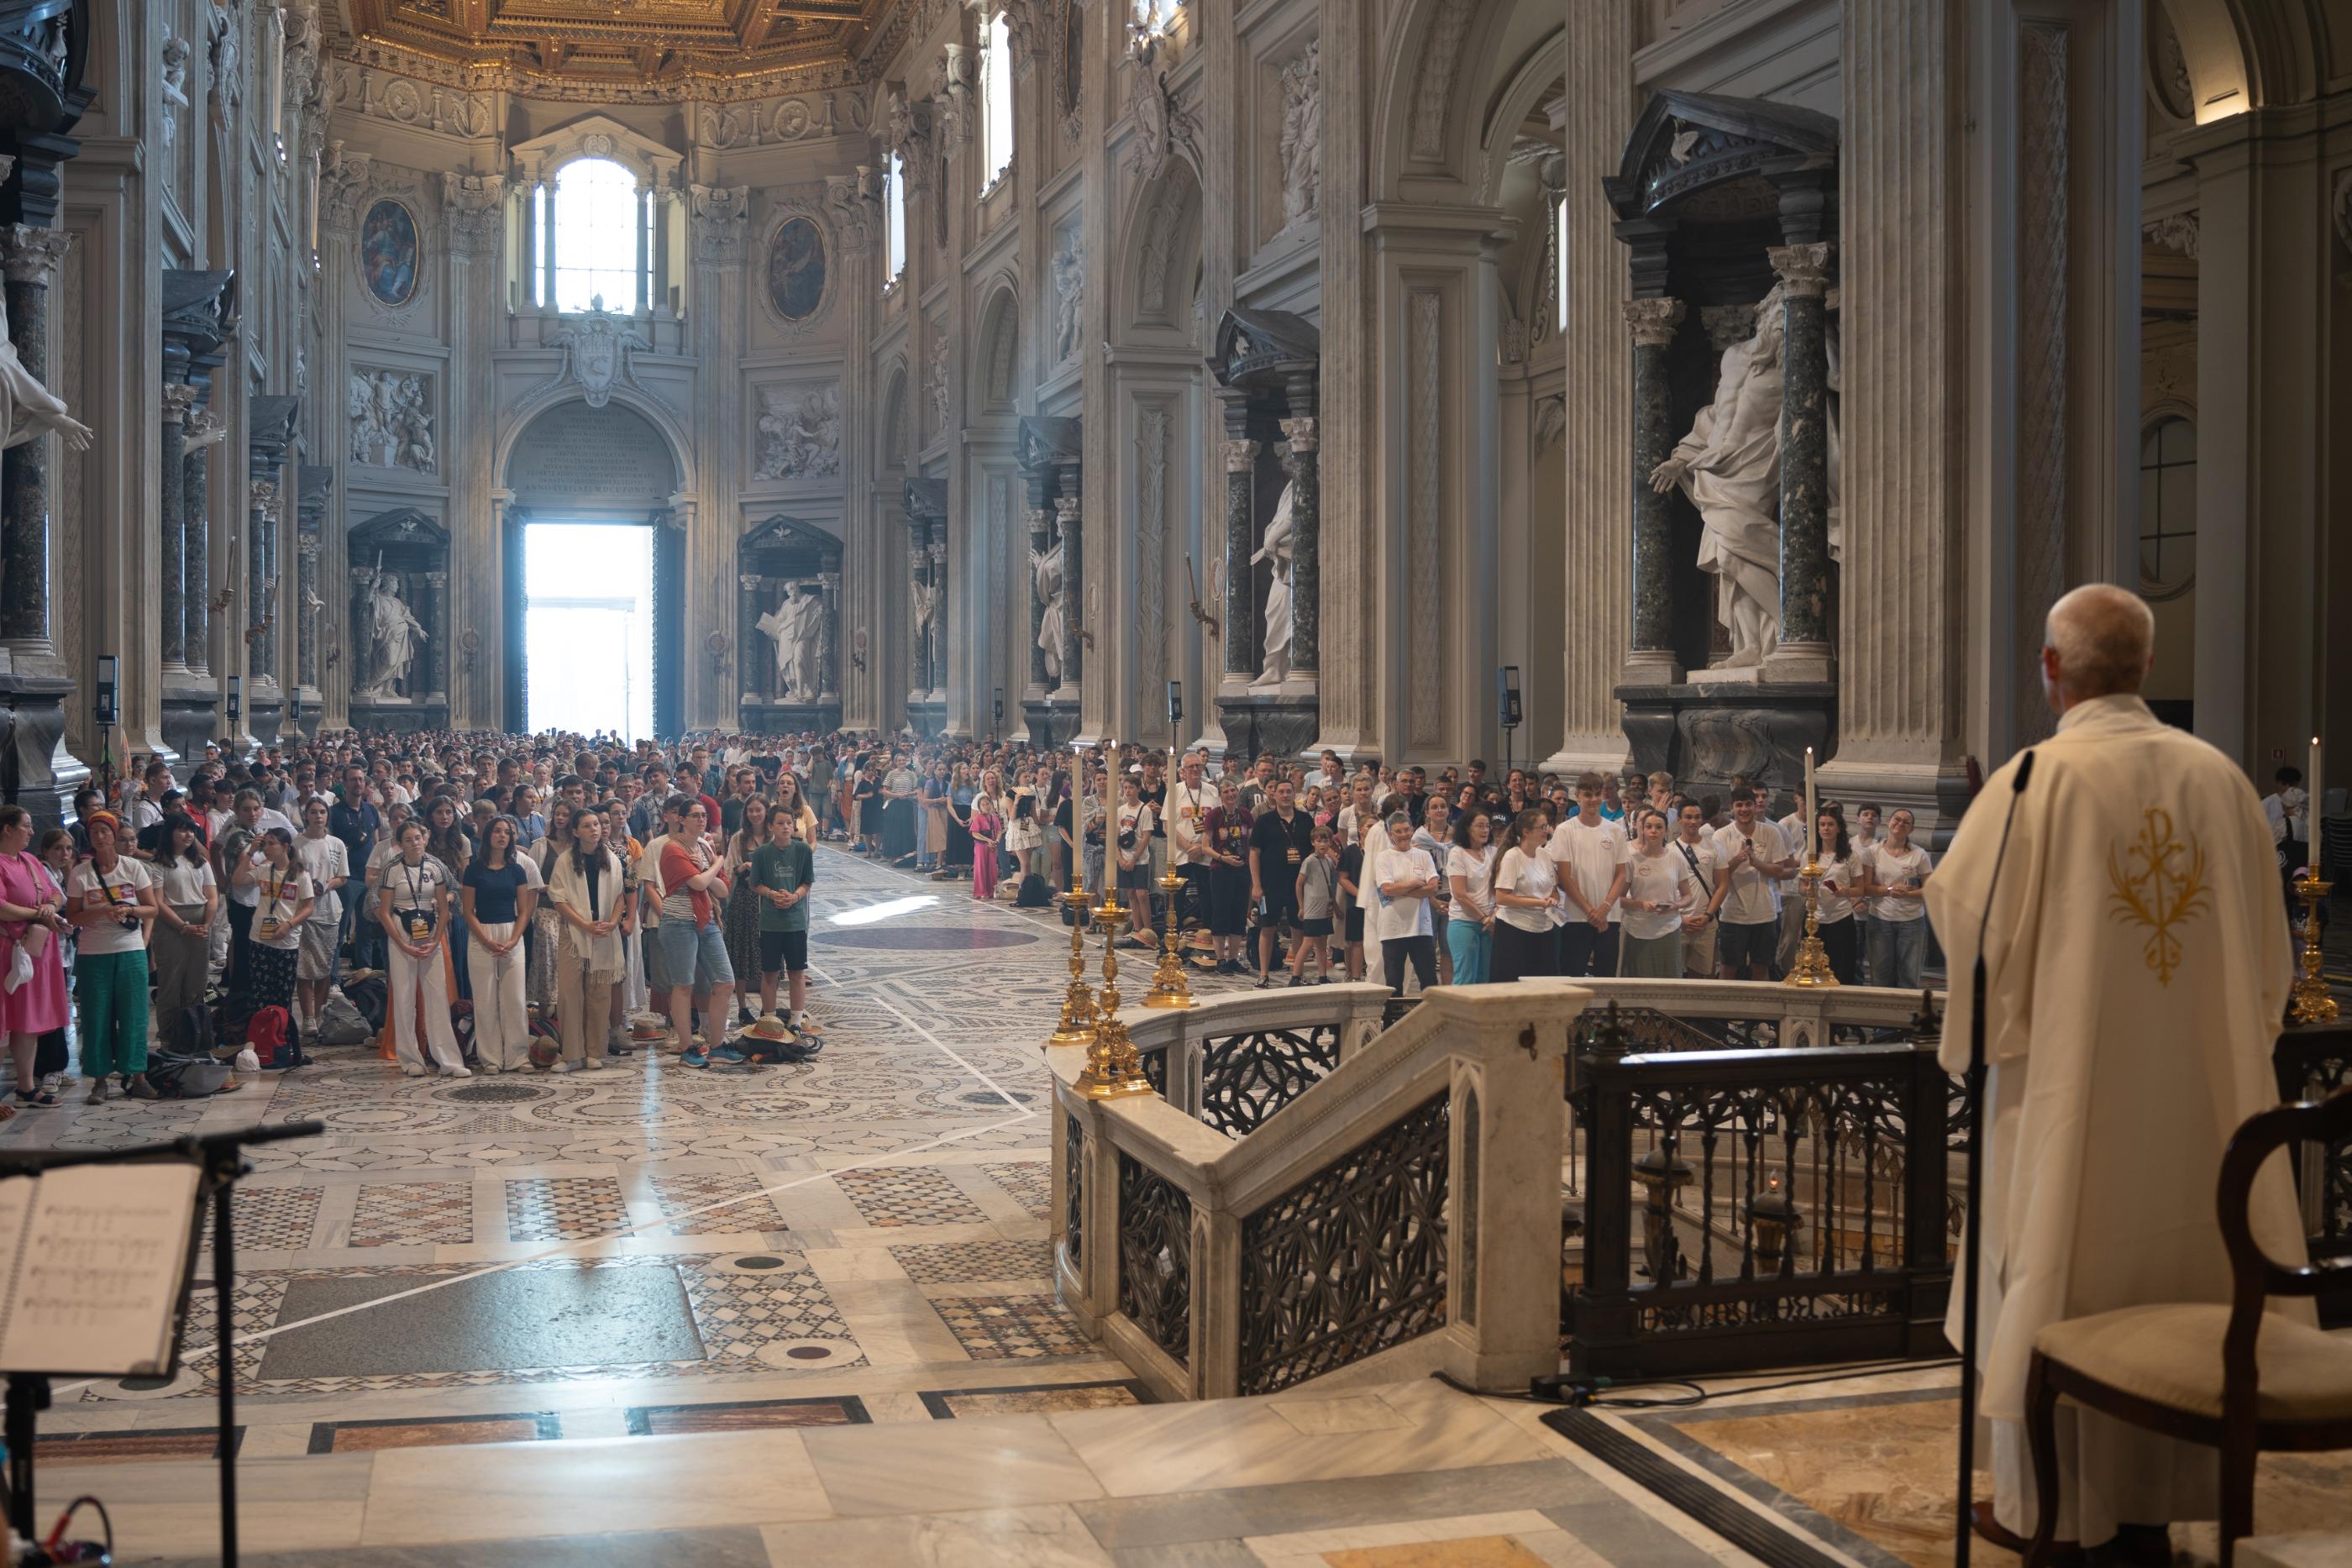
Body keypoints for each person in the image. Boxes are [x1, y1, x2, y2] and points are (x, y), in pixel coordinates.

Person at [1926, 582, 2302, 1560]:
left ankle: (2047, 1511)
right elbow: (2271, 968)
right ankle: (2163, 1500)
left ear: (2051, 670)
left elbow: (1968, 926)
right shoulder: (2220, 780)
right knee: (2188, 1275)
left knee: (2060, 1266)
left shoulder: (2031, 783)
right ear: (2143, 666)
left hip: (2065, 1090)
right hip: (2203, 1106)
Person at [66, 813, 158, 1101]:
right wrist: (101, 912)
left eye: (105, 831)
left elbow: (151, 908)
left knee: (134, 1014)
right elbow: (72, 915)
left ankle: (138, 1076)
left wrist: (128, 910)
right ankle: (100, 1080)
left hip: (129, 948)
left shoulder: (133, 868)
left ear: (114, 835)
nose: (100, 836)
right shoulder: (80, 873)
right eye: (95, 832)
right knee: (97, 1016)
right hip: (94, 951)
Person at [377, 820, 467, 1078]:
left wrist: (437, 939)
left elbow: (444, 906)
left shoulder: (435, 866)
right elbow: (383, 912)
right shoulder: (392, 869)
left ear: (425, 838)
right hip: (401, 930)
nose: (415, 843)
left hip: (430, 930)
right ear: (399, 843)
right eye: (408, 840)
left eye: (418, 838)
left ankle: (448, 1059)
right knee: (404, 997)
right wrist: (402, 944)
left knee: (438, 996)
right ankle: (410, 1059)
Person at [660, 798, 742, 1067]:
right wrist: (718, 862)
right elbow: (698, 883)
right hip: (678, 921)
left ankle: (717, 1045)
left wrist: (708, 868)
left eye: (704, 815)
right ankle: (687, 1047)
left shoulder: (705, 846)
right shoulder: (672, 849)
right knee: (684, 985)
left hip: (706, 919)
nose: (701, 820)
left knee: (725, 981)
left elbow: (722, 891)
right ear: (680, 819)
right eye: (694, 815)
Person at [549, 808, 627, 1074]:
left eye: (596, 824)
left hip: (604, 932)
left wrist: (614, 922)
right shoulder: (565, 860)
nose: (594, 829)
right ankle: (572, 1053)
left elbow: (620, 896)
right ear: (575, 832)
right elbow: (558, 899)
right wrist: (583, 924)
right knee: (570, 995)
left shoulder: (613, 860)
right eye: (586, 825)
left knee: (599, 994)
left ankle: (595, 1051)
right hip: (574, 933)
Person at [0, 806, 68, 1111]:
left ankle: (27, 1087)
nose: (31, 831)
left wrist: (50, 907)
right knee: (3, 1019)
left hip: (36, 949)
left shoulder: (28, 860)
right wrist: (38, 913)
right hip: (7, 949)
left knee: (27, 1020)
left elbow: (56, 892)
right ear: (7, 829)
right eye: (26, 826)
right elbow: (2, 908)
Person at [460, 815, 537, 1073]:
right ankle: (491, 1058)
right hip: (482, 934)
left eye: (507, 832)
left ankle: (518, 1056)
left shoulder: (517, 869)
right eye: (497, 831)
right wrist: (485, 939)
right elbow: (468, 910)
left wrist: (515, 939)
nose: (502, 836)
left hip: (511, 933)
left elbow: (524, 910)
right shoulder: (474, 869)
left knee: (515, 998)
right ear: (488, 836)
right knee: (485, 999)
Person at [239, 826, 314, 1069]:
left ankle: (282, 1043)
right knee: (260, 994)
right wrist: (250, 852)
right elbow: (237, 879)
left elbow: (308, 907)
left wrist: (290, 924)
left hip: (286, 941)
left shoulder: (300, 875)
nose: (266, 847)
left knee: (282, 996)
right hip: (260, 939)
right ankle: (257, 1044)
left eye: (271, 844)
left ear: (285, 847)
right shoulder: (263, 869)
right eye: (265, 844)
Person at [1551, 772, 1630, 977]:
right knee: (1572, 975)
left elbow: (1621, 874)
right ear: (1578, 796)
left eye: (1597, 794)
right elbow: (1564, 877)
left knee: (1606, 977)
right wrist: (1590, 911)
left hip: (1609, 916)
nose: (1593, 799)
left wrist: (1604, 908)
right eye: (1588, 794)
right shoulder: (1565, 830)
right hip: (1576, 916)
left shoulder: (1614, 830)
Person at [1713, 787, 1794, 980]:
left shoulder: (1771, 833)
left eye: (1748, 804)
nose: (1744, 809)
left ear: (1754, 806)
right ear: (1732, 808)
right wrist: (1738, 859)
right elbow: (1718, 876)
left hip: (1764, 913)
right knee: (1728, 967)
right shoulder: (1721, 836)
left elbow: (1779, 870)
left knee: (1761, 967)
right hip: (1732, 914)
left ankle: (1761, 1009)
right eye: (1739, 805)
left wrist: (1755, 862)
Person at [149, 814, 217, 1029]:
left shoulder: (200, 862)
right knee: (171, 982)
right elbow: (158, 903)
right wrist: (183, 927)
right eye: (182, 830)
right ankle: (169, 1035)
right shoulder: (159, 863)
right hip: (171, 924)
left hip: (201, 922)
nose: (188, 835)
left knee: (197, 982)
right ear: (170, 833)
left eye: (191, 830)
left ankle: (194, 1033)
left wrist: (206, 924)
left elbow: (212, 897)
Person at [750, 805, 816, 1029]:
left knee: (797, 972)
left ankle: (797, 1020)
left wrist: (795, 897)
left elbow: (807, 882)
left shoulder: (803, 850)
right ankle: (769, 1018)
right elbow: (755, 884)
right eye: (780, 823)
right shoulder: (761, 853)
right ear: (771, 826)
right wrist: (772, 894)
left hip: (795, 921)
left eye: (789, 822)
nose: (786, 827)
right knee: (770, 973)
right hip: (770, 923)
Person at [292, 798, 352, 1033]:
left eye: (322, 812)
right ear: (306, 815)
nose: (318, 816)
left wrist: (327, 885)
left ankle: (319, 1013)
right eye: (313, 812)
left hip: (328, 909)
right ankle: (307, 1016)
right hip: (304, 910)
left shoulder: (336, 843)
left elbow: (342, 877)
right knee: (304, 966)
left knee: (325, 965)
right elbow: (290, 873)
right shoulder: (296, 844)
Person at [1248, 778, 1315, 988]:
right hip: (1270, 884)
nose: (1285, 795)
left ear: (1295, 795)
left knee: (1298, 929)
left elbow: (1313, 852)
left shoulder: (1305, 820)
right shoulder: (1264, 821)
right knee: (1267, 927)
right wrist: (1256, 885)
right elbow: (1254, 854)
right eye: (1281, 792)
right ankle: (1264, 974)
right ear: (1274, 795)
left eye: (1289, 792)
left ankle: (1297, 974)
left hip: (1299, 885)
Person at [1618, 808, 1698, 978]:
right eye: (1649, 826)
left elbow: (1688, 896)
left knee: (1669, 982)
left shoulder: (1676, 858)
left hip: (1668, 927)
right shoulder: (1632, 860)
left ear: (1665, 830)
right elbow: (1619, 899)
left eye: (1659, 827)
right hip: (1638, 929)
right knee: (1638, 981)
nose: (1653, 831)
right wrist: (1641, 905)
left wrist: (1676, 905)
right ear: (1642, 830)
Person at [1368, 813, 1441, 995]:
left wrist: (1401, 889)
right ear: (1390, 834)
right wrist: (1415, 883)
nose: (1403, 835)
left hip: (1421, 928)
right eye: (1398, 831)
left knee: (1429, 980)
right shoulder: (1384, 857)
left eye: (1407, 830)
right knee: (1394, 982)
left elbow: (1432, 888)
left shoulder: (1424, 855)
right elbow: (1387, 889)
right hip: (1393, 928)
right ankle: (1393, 1020)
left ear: (1412, 830)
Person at [1864, 807, 1932, 990]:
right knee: (1880, 974)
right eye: (1897, 819)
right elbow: (1866, 888)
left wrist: (1908, 894)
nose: (1900, 824)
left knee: (1909, 975)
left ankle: (1905, 1017)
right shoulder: (1873, 852)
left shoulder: (1919, 854)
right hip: (1880, 918)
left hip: (1911, 920)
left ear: (1911, 829)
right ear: (1888, 822)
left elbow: (1931, 891)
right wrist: (1889, 890)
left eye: (1906, 822)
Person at [1490, 810, 1562, 984]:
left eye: (1547, 826)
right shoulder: (1512, 857)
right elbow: (1502, 897)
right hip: (1514, 930)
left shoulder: (1545, 855)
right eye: (1542, 827)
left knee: (1542, 986)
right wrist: (1539, 902)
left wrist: (1553, 899)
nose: (1547, 830)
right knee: (1512, 986)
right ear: (1526, 831)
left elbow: (1553, 890)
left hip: (1543, 928)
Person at [722, 794, 772, 1024]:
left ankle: (767, 1008)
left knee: (767, 957)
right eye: (750, 810)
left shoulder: (774, 838)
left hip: (768, 902)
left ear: (766, 811)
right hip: (743, 901)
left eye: (758, 810)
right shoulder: (738, 839)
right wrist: (743, 866)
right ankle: (742, 1008)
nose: (754, 814)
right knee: (741, 956)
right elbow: (728, 868)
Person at [1201, 778, 1254, 974]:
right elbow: (1205, 846)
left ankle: (1233, 958)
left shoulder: (1245, 815)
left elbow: (1252, 841)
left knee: (1239, 913)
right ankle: (1220, 958)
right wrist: (1223, 859)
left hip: (1242, 868)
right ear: (1220, 795)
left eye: (1233, 790)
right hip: (1221, 869)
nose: (1231, 795)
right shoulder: (1214, 815)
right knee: (1221, 913)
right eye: (1226, 792)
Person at [1445, 809, 1497, 985]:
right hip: (1464, 921)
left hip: (1491, 922)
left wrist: (1494, 916)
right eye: (1480, 826)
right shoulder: (1457, 853)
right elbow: (1460, 894)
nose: (1485, 830)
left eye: (1487, 826)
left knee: (1485, 978)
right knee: (1465, 977)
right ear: (1467, 828)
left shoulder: (1493, 852)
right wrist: (1484, 919)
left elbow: (1502, 888)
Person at [1811, 809, 1863, 985]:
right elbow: (1801, 888)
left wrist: (1845, 891)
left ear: (1839, 828)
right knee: (1814, 968)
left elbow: (1860, 889)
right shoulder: (1810, 855)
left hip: (1841, 917)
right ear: (1817, 829)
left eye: (1830, 824)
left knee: (1842, 968)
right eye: (1822, 825)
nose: (1826, 828)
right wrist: (1808, 889)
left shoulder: (1850, 856)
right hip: (1816, 918)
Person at [1291, 823, 1339, 984]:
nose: (1323, 844)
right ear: (1313, 842)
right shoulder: (1309, 861)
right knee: (1308, 943)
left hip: (1325, 909)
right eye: (1320, 841)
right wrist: (1301, 906)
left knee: (1321, 943)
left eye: (1326, 841)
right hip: (1312, 909)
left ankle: (1322, 975)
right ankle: (1295, 976)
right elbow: (1299, 883)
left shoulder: (1328, 862)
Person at [1110, 773, 1153, 942]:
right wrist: (1120, 859)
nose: (1128, 791)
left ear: (1138, 789)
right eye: (1125, 788)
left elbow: (1146, 837)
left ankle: (1149, 931)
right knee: (1130, 893)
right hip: (1124, 857)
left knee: (1142, 893)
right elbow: (1114, 836)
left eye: (1131, 788)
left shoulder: (1145, 810)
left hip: (1140, 858)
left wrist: (1134, 859)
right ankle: (1137, 929)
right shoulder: (1120, 810)